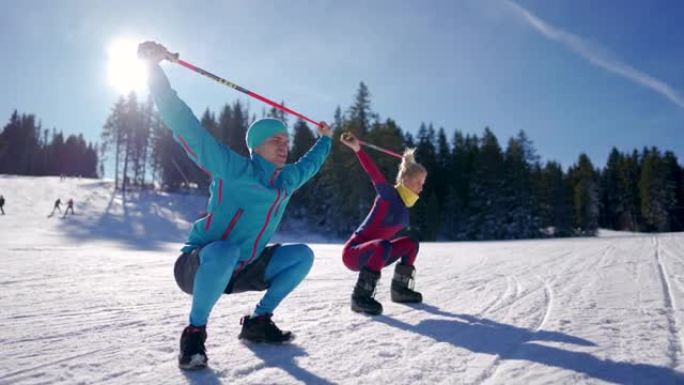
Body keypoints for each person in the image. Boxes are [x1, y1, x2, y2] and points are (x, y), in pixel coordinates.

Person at [138, 41, 333, 370]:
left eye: (286, 141)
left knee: (302, 255)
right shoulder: (234, 170)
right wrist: (153, 70)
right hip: (198, 265)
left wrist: (326, 139)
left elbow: (311, 163)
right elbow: (184, 123)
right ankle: (194, 333)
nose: (284, 146)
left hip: (245, 267)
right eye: (276, 140)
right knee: (225, 251)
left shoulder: (285, 180)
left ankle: (258, 321)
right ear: (257, 147)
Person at [339, 132, 427, 315]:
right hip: (354, 253)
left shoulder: (404, 205)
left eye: (423, 183)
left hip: (378, 252)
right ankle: (360, 298)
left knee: (411, 243)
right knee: (383, 245)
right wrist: (358, 149)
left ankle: (400, 290)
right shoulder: (389, 194)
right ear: (404, 180)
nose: (421, 187)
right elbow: (374, 173)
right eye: (418, 182)